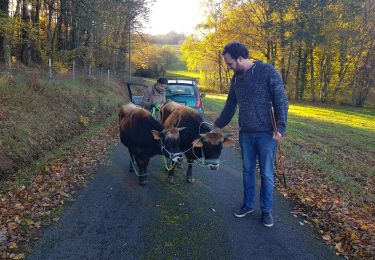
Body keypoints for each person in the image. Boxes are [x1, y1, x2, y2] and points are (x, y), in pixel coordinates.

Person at [213, 41, 288, 227]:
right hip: (245, 133)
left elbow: (281, 100)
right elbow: (230, 105)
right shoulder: (236, 79)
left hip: (267, 134)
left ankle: (266, 210)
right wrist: (218, 125)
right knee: (247, 171)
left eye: (230, 63)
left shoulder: (267, 71)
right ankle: (247, 205)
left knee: (267, 174)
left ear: (240, 58)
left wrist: (281, 127)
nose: (229, 67)